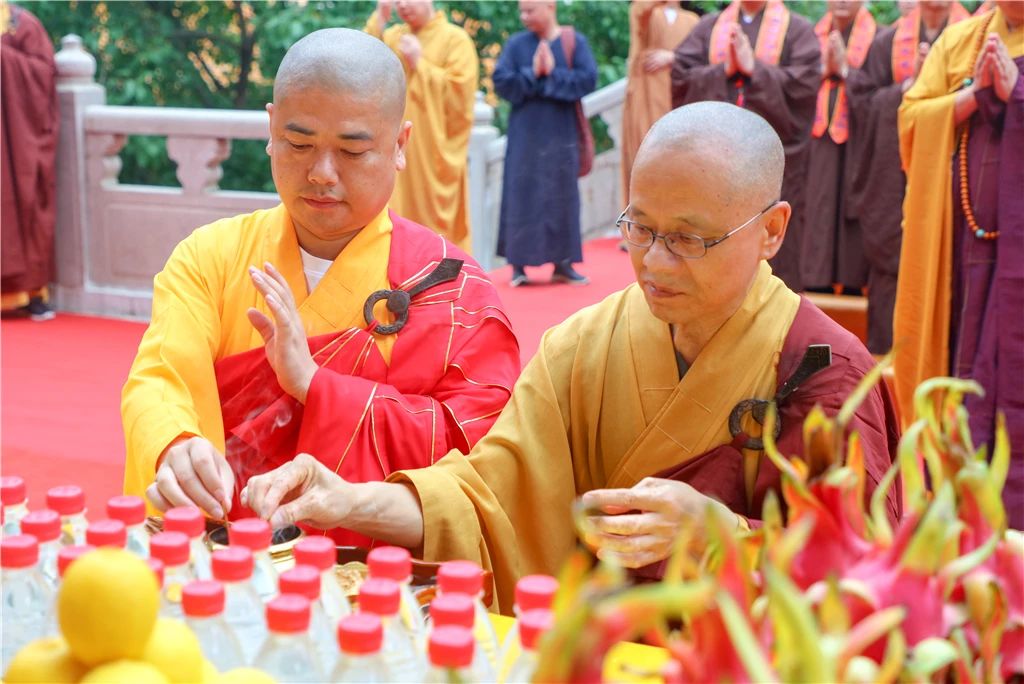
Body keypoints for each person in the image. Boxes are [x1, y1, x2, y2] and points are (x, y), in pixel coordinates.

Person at [241, 103, 902, 612]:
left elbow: (866, 580)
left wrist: (726, 534)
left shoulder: (827, 374)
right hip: (586, 651)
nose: (654, 261)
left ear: (772, 230)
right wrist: (349, 500)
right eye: (639, 228)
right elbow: (486, 502)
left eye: (688, 239)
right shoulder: (586, 344)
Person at [121, 29, 520, 546]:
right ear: (271, 129)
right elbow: (161, 377)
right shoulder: (209, 258)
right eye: (299, 144)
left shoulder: (453, 290)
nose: (321, 173)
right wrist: (174, 443)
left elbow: (481, 455)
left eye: (352, 151)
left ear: (399, 145)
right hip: (223, 558)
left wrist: (316, 386)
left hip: (377, 573)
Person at [894, 0, 1022, 528]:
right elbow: (910, 116)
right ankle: (947, 490)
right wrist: (972, 97)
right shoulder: (960, 41)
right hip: (959, 244)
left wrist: (1016, 92)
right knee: (955, 354)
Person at [670, 0, 820, 293]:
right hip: (713, 165)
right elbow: (680, 77)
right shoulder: (707, 28)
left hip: (773, 164)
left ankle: (776, 311)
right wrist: (723, 71)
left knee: (774, 237)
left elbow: (805, 87)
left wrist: (756, 71)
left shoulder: (798, 31)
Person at [846, 0, 970, 354]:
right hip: (890, 178)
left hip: (952, 170)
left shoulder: (973, 39)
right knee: (890, 259)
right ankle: (886, 365)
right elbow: (860, 102)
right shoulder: (886, 44)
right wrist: (907, 90)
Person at [494, 0, 598, 288]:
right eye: (522, 11)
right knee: (521, 194)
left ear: (550, 6)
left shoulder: (573, 42)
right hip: (525, 136)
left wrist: (552, 73)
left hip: (561, 135)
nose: (524, 16)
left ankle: (563, 263)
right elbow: (501, 81)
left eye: (530, 10)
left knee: (561, 196)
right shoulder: (516, 45)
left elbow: (588, 79)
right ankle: (518, 265)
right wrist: (533, 73)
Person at [364, 0, 479, 251]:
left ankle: (439, 269)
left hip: (432, 153)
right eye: (397, 1)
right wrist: (379, 19)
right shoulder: (394, 36)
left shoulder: (455, 40)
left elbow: (461, 98)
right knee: (393, 216)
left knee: (435, 231)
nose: (403, 5)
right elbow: (360, 67)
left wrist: (420, 64)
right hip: (395, 147)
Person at [799, 0, 875, 297]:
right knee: (816, 204)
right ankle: (815, 280)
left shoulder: (881, 39)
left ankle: (853, 283)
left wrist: (845, 70)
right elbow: (795, 82)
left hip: (859, 143)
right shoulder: (808, 38)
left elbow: (879, 91)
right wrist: (822, 70)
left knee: (851, 206)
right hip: (816, 142)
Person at [1, 2, 58, 321]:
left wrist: (3, 57)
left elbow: (42, 74)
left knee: (23, 201)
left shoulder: (21, 23)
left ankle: (29, 294)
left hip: (14, 139)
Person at [620, 1, 698, 203]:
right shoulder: (647, 12)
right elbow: (640, 12)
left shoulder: (692, 20)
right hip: (646, 99)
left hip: (680, 101)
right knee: (646, 157)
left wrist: (674, 57)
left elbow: (700, 58)